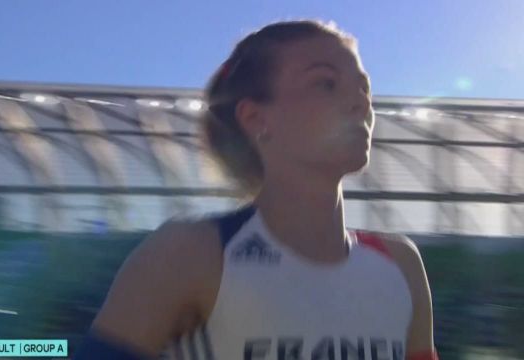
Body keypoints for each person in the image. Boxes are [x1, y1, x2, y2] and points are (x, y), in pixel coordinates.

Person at [73, 19, 438, 360]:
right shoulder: (191, 254)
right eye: (326, 83)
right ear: (256, 119)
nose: (362, 102)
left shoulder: (401, 264)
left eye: (364, 87)